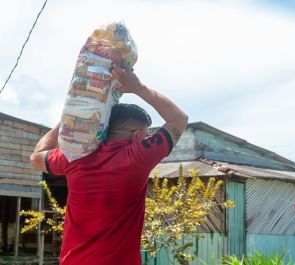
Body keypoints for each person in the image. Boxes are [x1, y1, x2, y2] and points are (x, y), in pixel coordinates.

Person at [30, 63, 188, 265]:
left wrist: (68, 119)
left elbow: (36, 157)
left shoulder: (75, 156)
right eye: (145, 134)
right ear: (138, 135)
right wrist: (138, 87)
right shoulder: (137, 156)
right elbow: (179, 118)